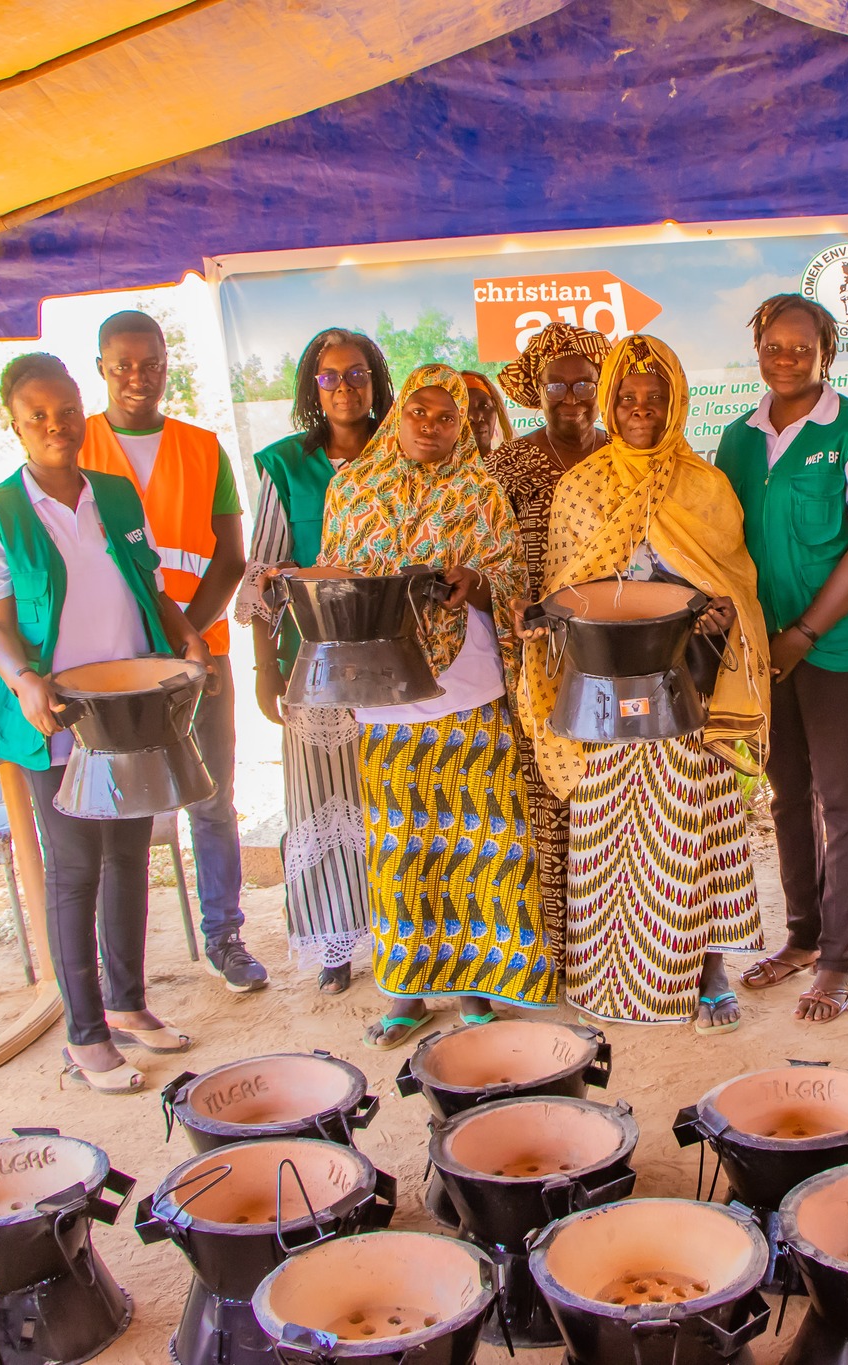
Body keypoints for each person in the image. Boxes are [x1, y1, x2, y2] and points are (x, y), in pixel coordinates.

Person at [0, 353, 212, 1095]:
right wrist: (24, 679)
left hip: (128, 702)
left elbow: (151, 585)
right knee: (75, 866)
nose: (56, 425)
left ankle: (127, 1004)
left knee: (130, 853)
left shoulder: (115, 494)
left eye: (66, 410)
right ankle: (85, 1033)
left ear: (83, 410)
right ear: (15, 424)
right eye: (37, 415)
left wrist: (186, 635)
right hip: (58, 713)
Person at [517, 334, 770, 1033]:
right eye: (626, 397)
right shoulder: (581, 485)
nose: (639, 409)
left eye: (654, 398)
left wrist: (722, 612)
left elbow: (736, 585)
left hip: (684, 685)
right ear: (610, 402)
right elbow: (566, 584)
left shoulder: (706, 486)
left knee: (695, 829)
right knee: (606, 835)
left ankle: (710, 972)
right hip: (602, 690)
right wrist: (543, 621)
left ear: (676, 402)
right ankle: (607, 978)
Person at [318, 363, 557, 1047]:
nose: (431, 426)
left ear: (462, 426)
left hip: (468, 689)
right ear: (398, 416)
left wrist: (473, 581)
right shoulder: (350, 488)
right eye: (418, 412)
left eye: (446, 416)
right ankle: (407, 993)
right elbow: (335, 575)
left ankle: (477, 987)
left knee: (477, 843)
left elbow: (513, 582)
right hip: (384, 690)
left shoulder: (480, 490)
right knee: (403, 847)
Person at [717, 294, 848, 1023]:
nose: (787, 359)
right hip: (763, 650)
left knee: (843, 799)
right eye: (774, 346)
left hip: (838, 647)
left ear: (829, 351)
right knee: (787, 791)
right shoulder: (737, 438)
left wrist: (805, 634)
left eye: (802, 347)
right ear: (758, 350)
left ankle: (839, 960)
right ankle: (801, 937)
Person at [75, 310, 261, 993]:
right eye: (122, 364)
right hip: (112, 662)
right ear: (101, 367)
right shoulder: (74, 445)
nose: (138, 377)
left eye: (150, 363)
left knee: (211, 798)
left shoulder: (202, 448)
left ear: (165, 365)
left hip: (201, 655)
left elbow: (230, 556)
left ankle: (225, 936)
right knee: (115, 811)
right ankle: (120, 970)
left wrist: (187, 638)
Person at [235, 328, 397, 992]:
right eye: (329, 377)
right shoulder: (285, 465)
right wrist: (264, 669)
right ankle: (337, 941)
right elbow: (262, 574)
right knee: (323, 801)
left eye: (356, 373)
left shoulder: (401, 450)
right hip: (313, 663)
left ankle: (401, 938)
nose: (344, 388)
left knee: (392, 799)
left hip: (393, 661)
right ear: (312, 388)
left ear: (375, 380)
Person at [484, 323, 612, 967]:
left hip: (613, 656)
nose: (571, 397)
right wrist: (513, 606)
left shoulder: (623, 456)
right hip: (532, 652)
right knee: (544, 793)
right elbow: (484, 554)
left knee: (607, 792)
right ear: (535, 392)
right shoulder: (505, 466)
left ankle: (611, 942)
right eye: (555, 385)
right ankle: (559, 951)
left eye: (583, 384)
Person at [461, 369, 515, 457]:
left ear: (496, 409)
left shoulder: (514, 463)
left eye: (484, 406)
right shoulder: (439, 466)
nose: (476, 418)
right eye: (464, 408)